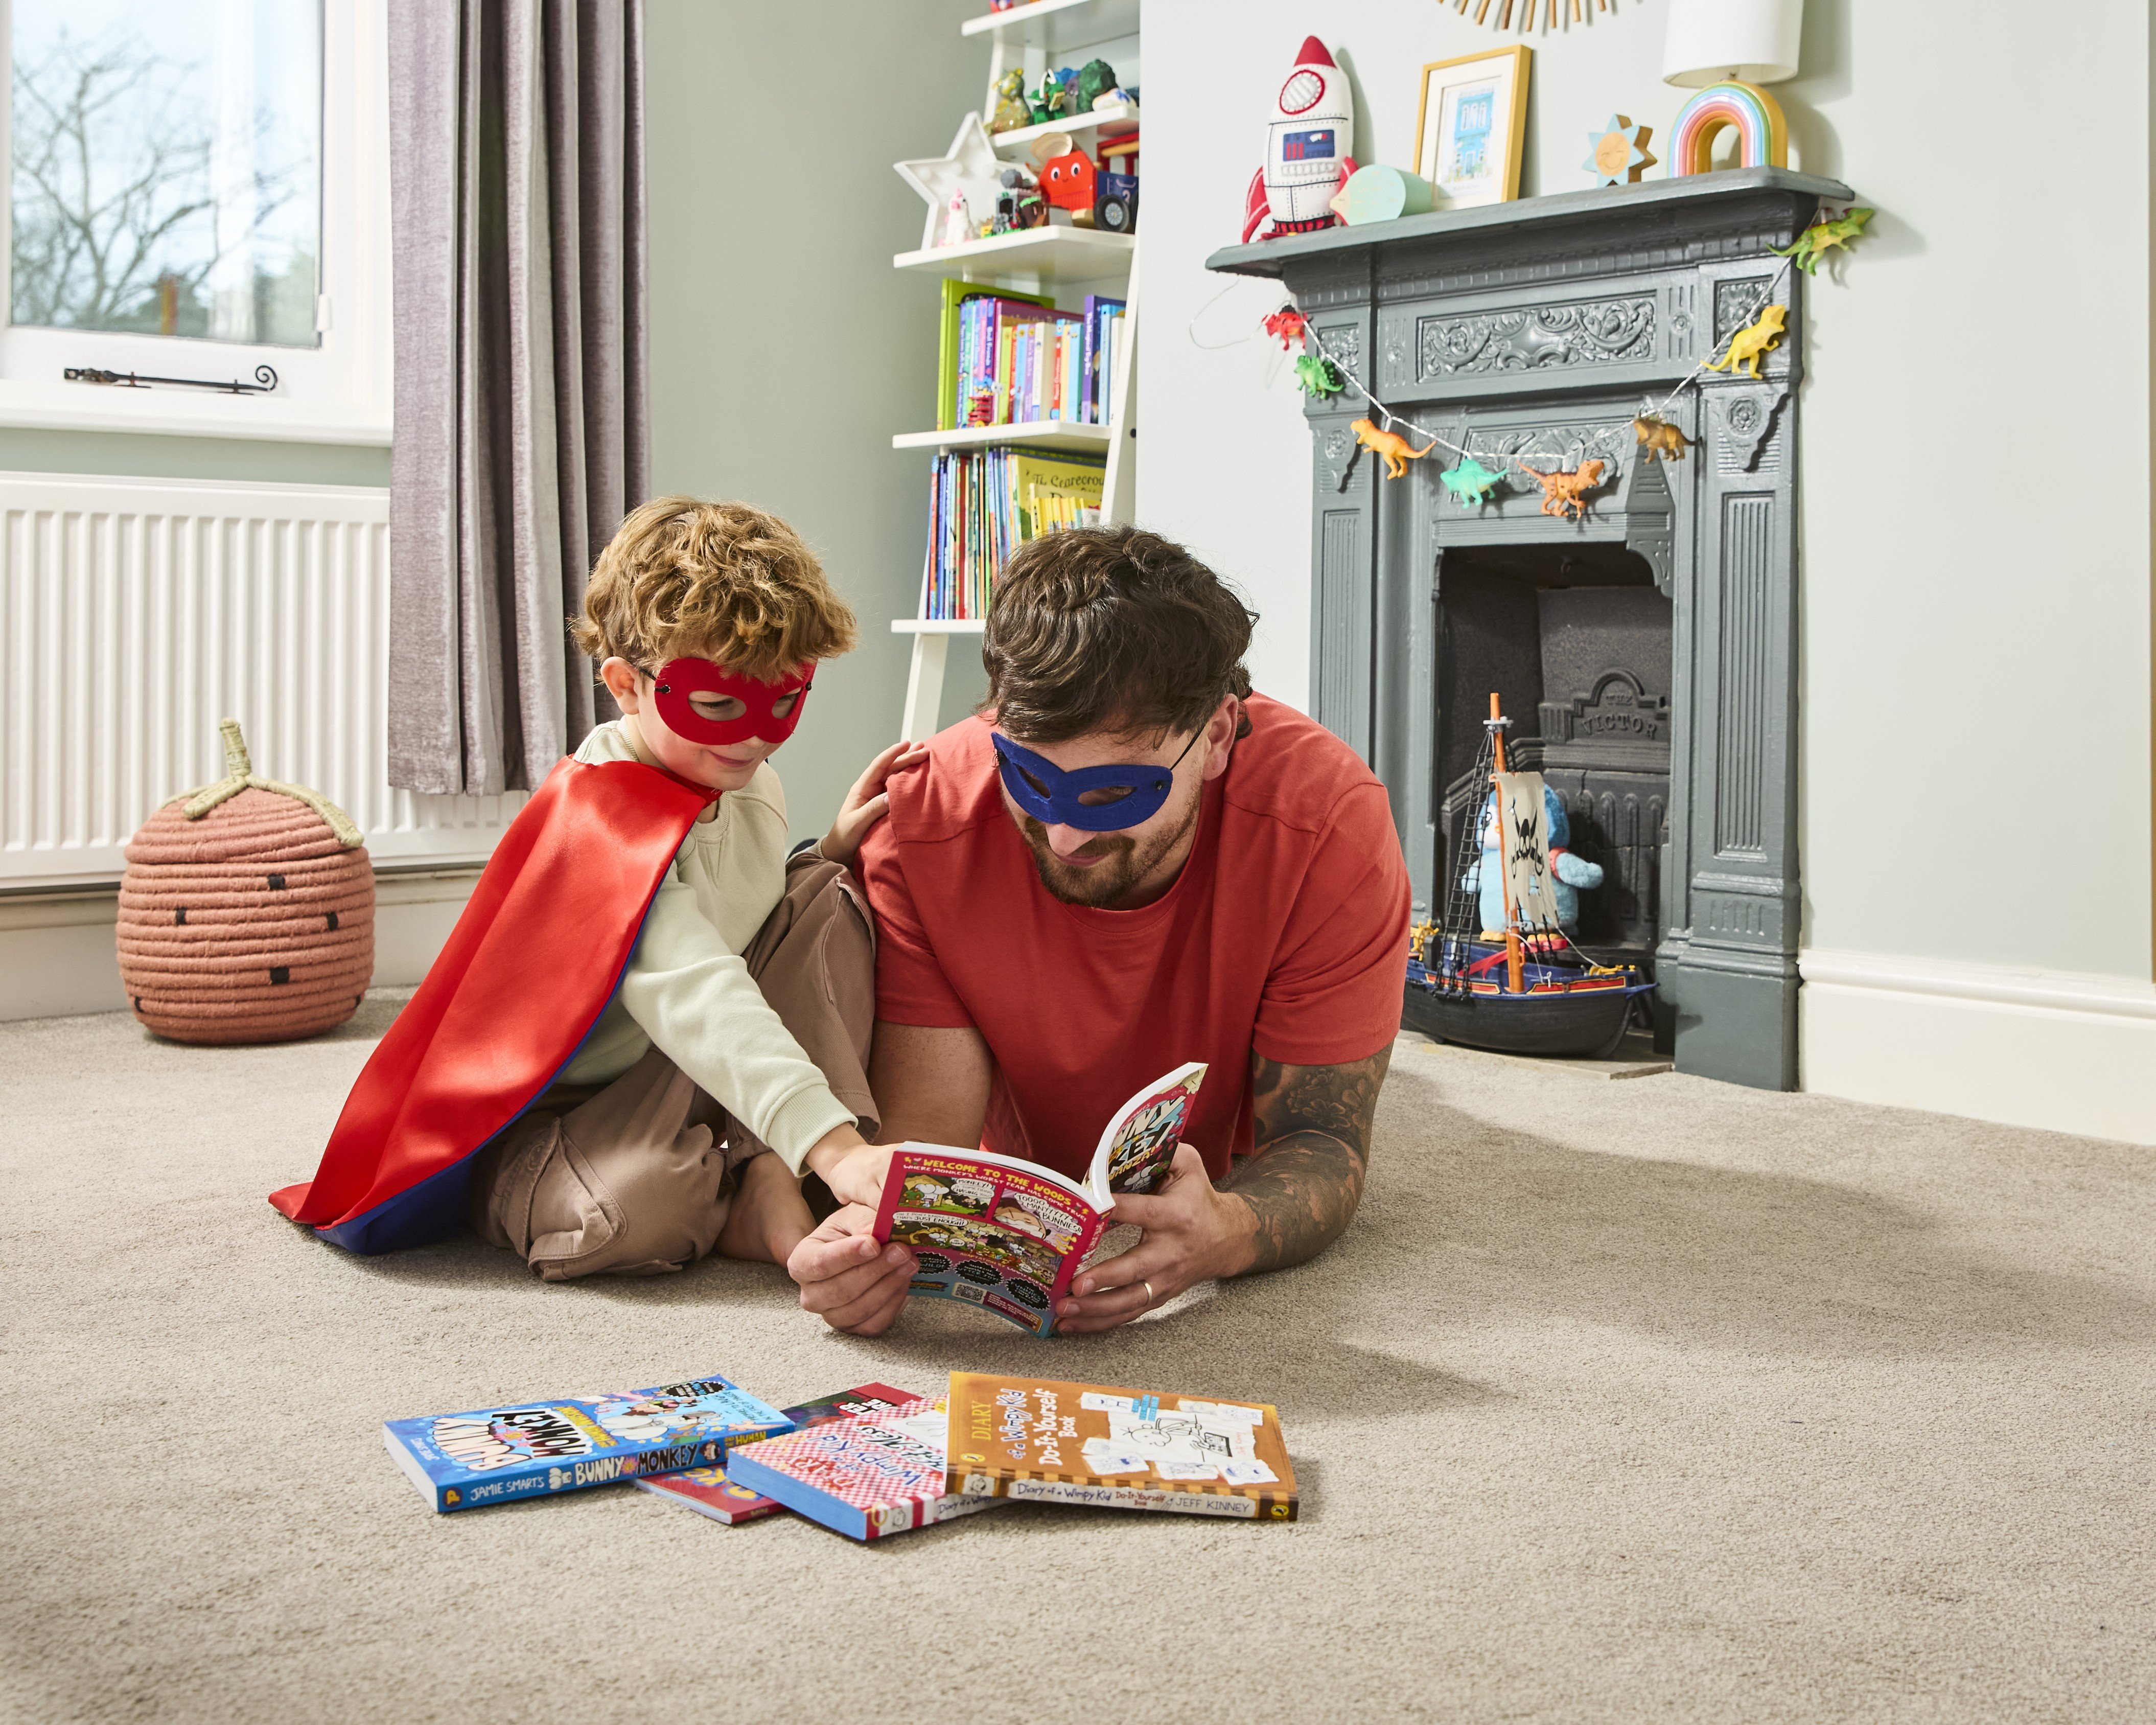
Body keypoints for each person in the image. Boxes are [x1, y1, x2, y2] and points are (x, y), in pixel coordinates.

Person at [786, 524, 1411, 1335]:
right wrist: (869, 1248)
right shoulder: (923, 820)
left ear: (1217, 737)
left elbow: (1323, 1138)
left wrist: (1230, 1233)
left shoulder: (1326, 821)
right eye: (1030, 777)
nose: (1063, 838)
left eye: (1115, 794)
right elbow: (928, 1145)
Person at [270, 497, 907, 1275]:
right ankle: (751, 1175)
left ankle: (764, 1171)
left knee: (833, 897)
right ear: (626, 685)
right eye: (715, 705)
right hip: (576, 1108)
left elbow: (748, 925)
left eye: (785, 701)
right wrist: (835, 1150)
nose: (753, 733)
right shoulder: (605, 820)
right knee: (627, 1220)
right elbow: (692, 985)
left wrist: (834, 850)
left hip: (687, 1076)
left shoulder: (745, 778)